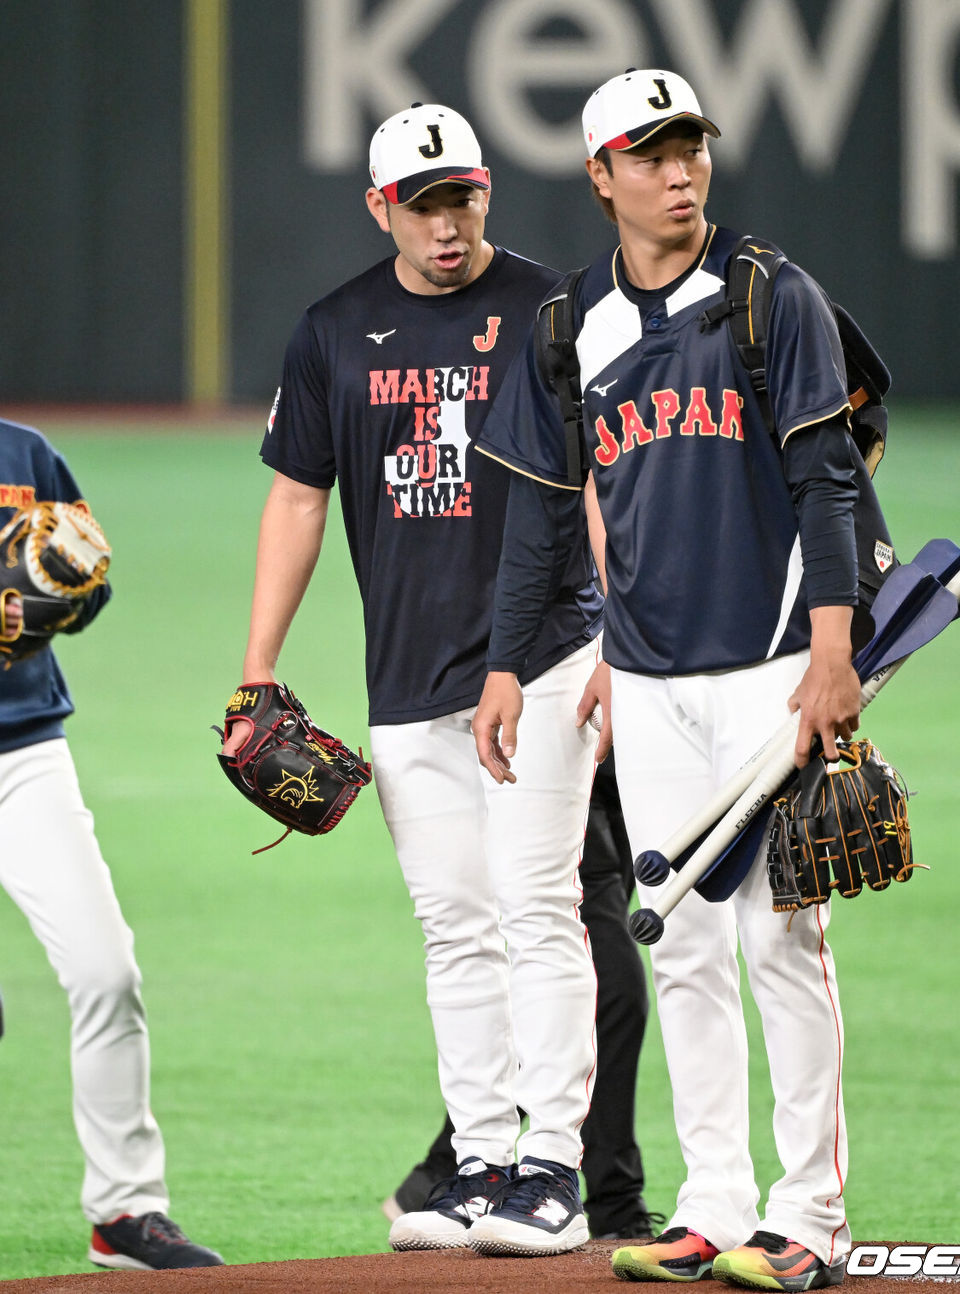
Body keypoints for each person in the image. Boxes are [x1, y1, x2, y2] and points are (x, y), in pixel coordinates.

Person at [471, 68, 861, 1289]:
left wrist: (835, 652)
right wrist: (505, 666)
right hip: (639, 680)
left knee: (780, 940)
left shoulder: (768, 293)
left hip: (773, 663)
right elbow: (541, 518)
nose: (678, 170)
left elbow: (829, 476)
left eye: (688, 146)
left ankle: (809, 1219)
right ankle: (712, 1202)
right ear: (600, 176)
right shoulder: (566, 323)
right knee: (682, 944)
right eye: (648, 153)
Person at [224, 102, 608, 1259]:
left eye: (465, 197)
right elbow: (297, 494)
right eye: (424, 203)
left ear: (487, 191)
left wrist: (625, 633)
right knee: (452, 924)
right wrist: (257, 666)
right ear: (380, 207)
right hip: (404, 678)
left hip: (542, 657)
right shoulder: (333, 331)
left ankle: (555, 1168)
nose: (449, 223)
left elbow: (602, 473)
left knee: (536, 907)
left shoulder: (549, 310)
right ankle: (481, 1159)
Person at [0, 418, 224, 1273]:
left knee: (106, 971)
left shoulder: (23, 454)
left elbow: (85, 581)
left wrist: (68, 591)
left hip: (24, 753)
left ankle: (126, 1212)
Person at [382, 755, 658, 1242]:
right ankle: (609, 1203)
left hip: (635, 732)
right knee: (607, 976)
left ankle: (451, 1170)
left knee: (578, 966)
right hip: (553, 726)